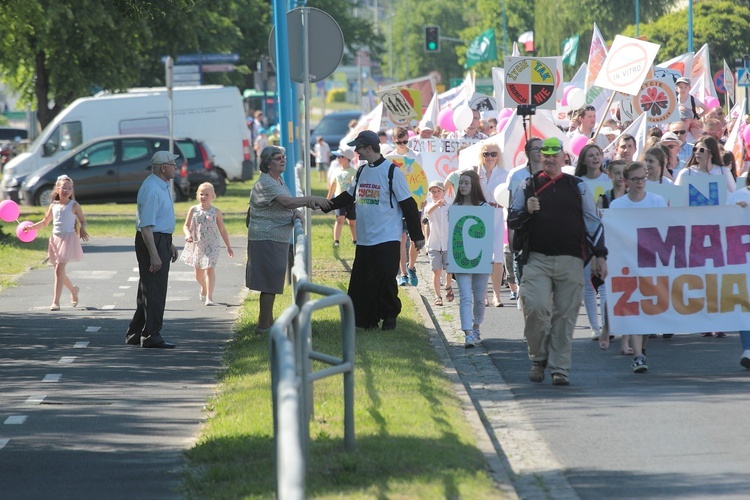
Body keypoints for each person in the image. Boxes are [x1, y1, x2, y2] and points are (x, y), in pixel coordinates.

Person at [508, 138, 608, 386]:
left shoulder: (578, 186)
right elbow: (512, 220)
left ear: (565, 157)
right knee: (536, 308)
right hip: (536, 259)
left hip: (571, 259)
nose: (550, 159)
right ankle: (538, 358)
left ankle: (559, 368)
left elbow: (592, 222)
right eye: (545, 155)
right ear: (540, 158)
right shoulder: (527, 185)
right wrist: (526, 212)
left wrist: (599, 255)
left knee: (565, 316)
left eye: (555, 154)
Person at [323, 130, 424, 330]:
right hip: (365, 238)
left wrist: (417, 236)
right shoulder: (361, 171)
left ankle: (389, 318)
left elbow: (409, 205)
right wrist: (326, 204)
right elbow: (348, 196)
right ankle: (364, 320)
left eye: (358, 148)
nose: (356, 152)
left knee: (385, 281)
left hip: (387, 237)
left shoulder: (391, 172)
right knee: (362, 282)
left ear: (369, 148)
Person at [246, 146, 332, 334]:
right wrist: (310, 199)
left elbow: (286, 202)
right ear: (268, 163)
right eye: (278, 158)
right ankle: (263, 326)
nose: (283, 160)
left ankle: (268, 323)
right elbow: (286, 202)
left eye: (284, 157)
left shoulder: (278, 179)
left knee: (273, 281)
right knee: (269, 282)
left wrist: (296, 212)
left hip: (276, 237)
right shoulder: (266, 182)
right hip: (266, 237)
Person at [610, 161, 668, 373]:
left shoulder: (657, 201)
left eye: (643, 178)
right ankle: (638, 356)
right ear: (626, 181)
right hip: (627, 263)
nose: (640, 182)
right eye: (635, 179)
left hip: (651, 263)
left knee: (647, 310)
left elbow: (665, 229)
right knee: (634, 309)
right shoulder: (618, 205)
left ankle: (642, 349)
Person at [125, 151, 181, 349]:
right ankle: (151, 335)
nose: (176, 167)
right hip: (152, 240)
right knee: (155, 289)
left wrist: (169, 243)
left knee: (148, 288)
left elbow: (159, 220)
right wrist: (155, 255)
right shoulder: (151, 188)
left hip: (161, 239)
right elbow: (146, 226)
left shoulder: (161, 185)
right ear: (163, 167)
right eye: (173, 164)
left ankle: (136, 332)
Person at [28, 175, 89, 310]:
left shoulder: (74, 205)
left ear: (72, 190)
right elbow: (44, 223)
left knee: (59, 269)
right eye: (64, 188)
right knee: (58, 271)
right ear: (57, 189)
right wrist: (31, 228)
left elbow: (83, 220)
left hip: (68, 238)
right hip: (55, 239)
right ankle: (73, 290)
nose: (67, 190)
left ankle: (55, 302)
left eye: (70, 188)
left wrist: (82, 229)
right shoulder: (53, 206)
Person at [451, 170, 490, 348]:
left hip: (480, 258)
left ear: (474, 185)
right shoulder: (455, 208)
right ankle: (467, 333)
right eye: (461, 183)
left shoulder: (485, 208)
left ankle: (476, 326)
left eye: (466, 183)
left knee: (479, 298)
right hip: (461, 259)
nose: (463, 186)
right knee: (465, 297)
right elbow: (452, 235)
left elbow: (489, 235)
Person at [180, 182, 234, 306]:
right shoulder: (193, 210)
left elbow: (223, 230)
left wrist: (228, 246)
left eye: (206, 194)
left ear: (212, 196)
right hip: (198, 244)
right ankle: (203, 287)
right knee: (198, 274)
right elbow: (186, 225)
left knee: (209, 268)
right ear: (197, 195)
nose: (203, 197)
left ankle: (209, 297)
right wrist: (188, 234)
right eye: (201, 194)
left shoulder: (216, 212)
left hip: (212, 244)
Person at [573, 144, 607, 341]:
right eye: (591, 155)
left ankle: (606, 325)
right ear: (583, 160)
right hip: (585, 237)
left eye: (598, 154)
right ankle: (595, 327)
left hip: (606, 236)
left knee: (603, 283)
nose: (595, 158)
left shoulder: (609, 179)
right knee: (588, 284)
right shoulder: (578, 183)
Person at [595, 160, 627, 352]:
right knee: (613, 290)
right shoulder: (604, 198)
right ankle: (607, 326)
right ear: (610, 175)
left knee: (630, 290)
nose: (620, 177)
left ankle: (626, 339)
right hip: (610, 248)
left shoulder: (634, 198)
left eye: (624, 173)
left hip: (630, 248)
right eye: (616, 173)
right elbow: (598, 226)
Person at [386, 126, 424, 287]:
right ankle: (402, 273)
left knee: (415, 238)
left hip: (414, 199)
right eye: (399, 142)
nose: (402, 145)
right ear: (393, 141)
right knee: (401, 237)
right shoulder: (389, 158)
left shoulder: (416, 156)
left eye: (405, 142)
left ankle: (411, 267)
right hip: (396, 201)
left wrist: (424, 198)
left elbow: (422, 177)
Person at [475, 142, 507, 307]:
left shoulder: (504, 174)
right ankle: (483, 294)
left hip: (496, 215)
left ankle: (496, 295)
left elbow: (510, 195)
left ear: (498, 156)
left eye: (493, 154)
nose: (489, 157)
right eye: (486, 154)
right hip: (479, 215)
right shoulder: (475, 171)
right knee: (482, 255)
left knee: (497, 256)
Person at [726, 176, 750, 369]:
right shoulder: (738, 196)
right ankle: (748, 349)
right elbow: (722, 224)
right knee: (745, 303)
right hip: (743, 259)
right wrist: (735, 212)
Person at [424, 180, 451, 306]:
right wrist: (437, 204)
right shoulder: (429, 206)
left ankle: (448, 285)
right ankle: (437, 295)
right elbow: (428, 213)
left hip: (447, 244)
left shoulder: (448, 207)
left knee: (450, 269)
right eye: (433, 192)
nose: (436, 194)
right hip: (434, 244)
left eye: (438, 191)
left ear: (443, 193)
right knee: (437, 270)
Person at [326, 148, 357, 247]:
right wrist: (328, 199)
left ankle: (355, 240)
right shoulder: (336, 171)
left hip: (351, 200)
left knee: (352, 221)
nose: (337, 159)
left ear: (346, 159)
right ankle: (336, 241)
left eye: (339, 157)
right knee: (340, 218)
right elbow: (333, 186)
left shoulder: (353, 172)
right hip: (339, 199)